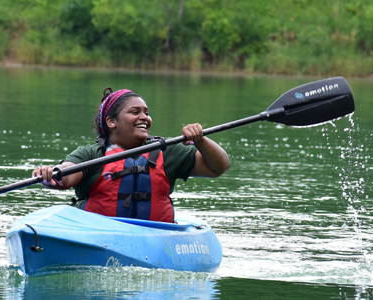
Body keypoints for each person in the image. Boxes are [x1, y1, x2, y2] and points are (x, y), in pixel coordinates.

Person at [32, 87, 230, 223]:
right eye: (135, 112)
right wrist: (51, 173)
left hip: (155, 235)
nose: (144, 117)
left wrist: (200, 140)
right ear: (112, 122)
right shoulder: (92, 154)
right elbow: (65, 176)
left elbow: (219, 167)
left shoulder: (167, 151)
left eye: (146, 112)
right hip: (99, 232)